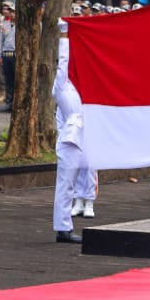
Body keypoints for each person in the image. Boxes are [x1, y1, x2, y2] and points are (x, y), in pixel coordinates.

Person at [53, 27, 86, 244]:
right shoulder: (62, 87)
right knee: (66, 184)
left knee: (79, 182)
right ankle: (63, 228)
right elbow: (63, 61)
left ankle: (84, 207)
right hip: (70, 140)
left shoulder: (83, 87)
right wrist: (64, 35)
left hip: (85, 137)